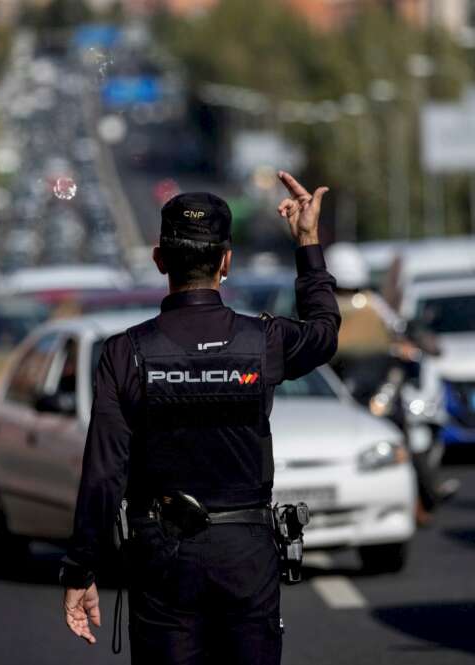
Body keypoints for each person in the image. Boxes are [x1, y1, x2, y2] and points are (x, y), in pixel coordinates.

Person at [60, 172, 340, 664]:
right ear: (226, 262)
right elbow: (324, 332)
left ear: (160, 259)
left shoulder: (125, 353)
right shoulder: (263, 341)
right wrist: (307, 242)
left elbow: (104, 472)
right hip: (246, 556)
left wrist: (82, 569)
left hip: (163, 559)